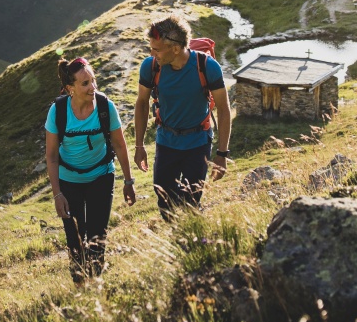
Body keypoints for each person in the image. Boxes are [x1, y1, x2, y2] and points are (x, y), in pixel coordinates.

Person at [44, 56, 135, 282]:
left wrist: (129, 181)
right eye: (85, 83)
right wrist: (57, 194)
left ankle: (95, 284)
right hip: (69, 181)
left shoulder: (106, 107)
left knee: (97, 236)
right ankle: (79, 285)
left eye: (93, 80)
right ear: (69, 89)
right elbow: (52, 156)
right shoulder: (58, 112)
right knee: (74, 238)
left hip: (101, 177)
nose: (92, 87)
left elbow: (119, 144)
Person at [133, 15, 232, 219]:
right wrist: (139, 146)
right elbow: (142, 103)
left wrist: (222, 154)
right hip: (166, 142)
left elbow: (223, 108)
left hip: (198, 143)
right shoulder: (150, 67)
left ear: (175, 49)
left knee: (191, 201)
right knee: (164, 200)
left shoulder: (207, 66)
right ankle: (175, 239)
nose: (152, 54)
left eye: (157, 49)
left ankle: (191, 242)